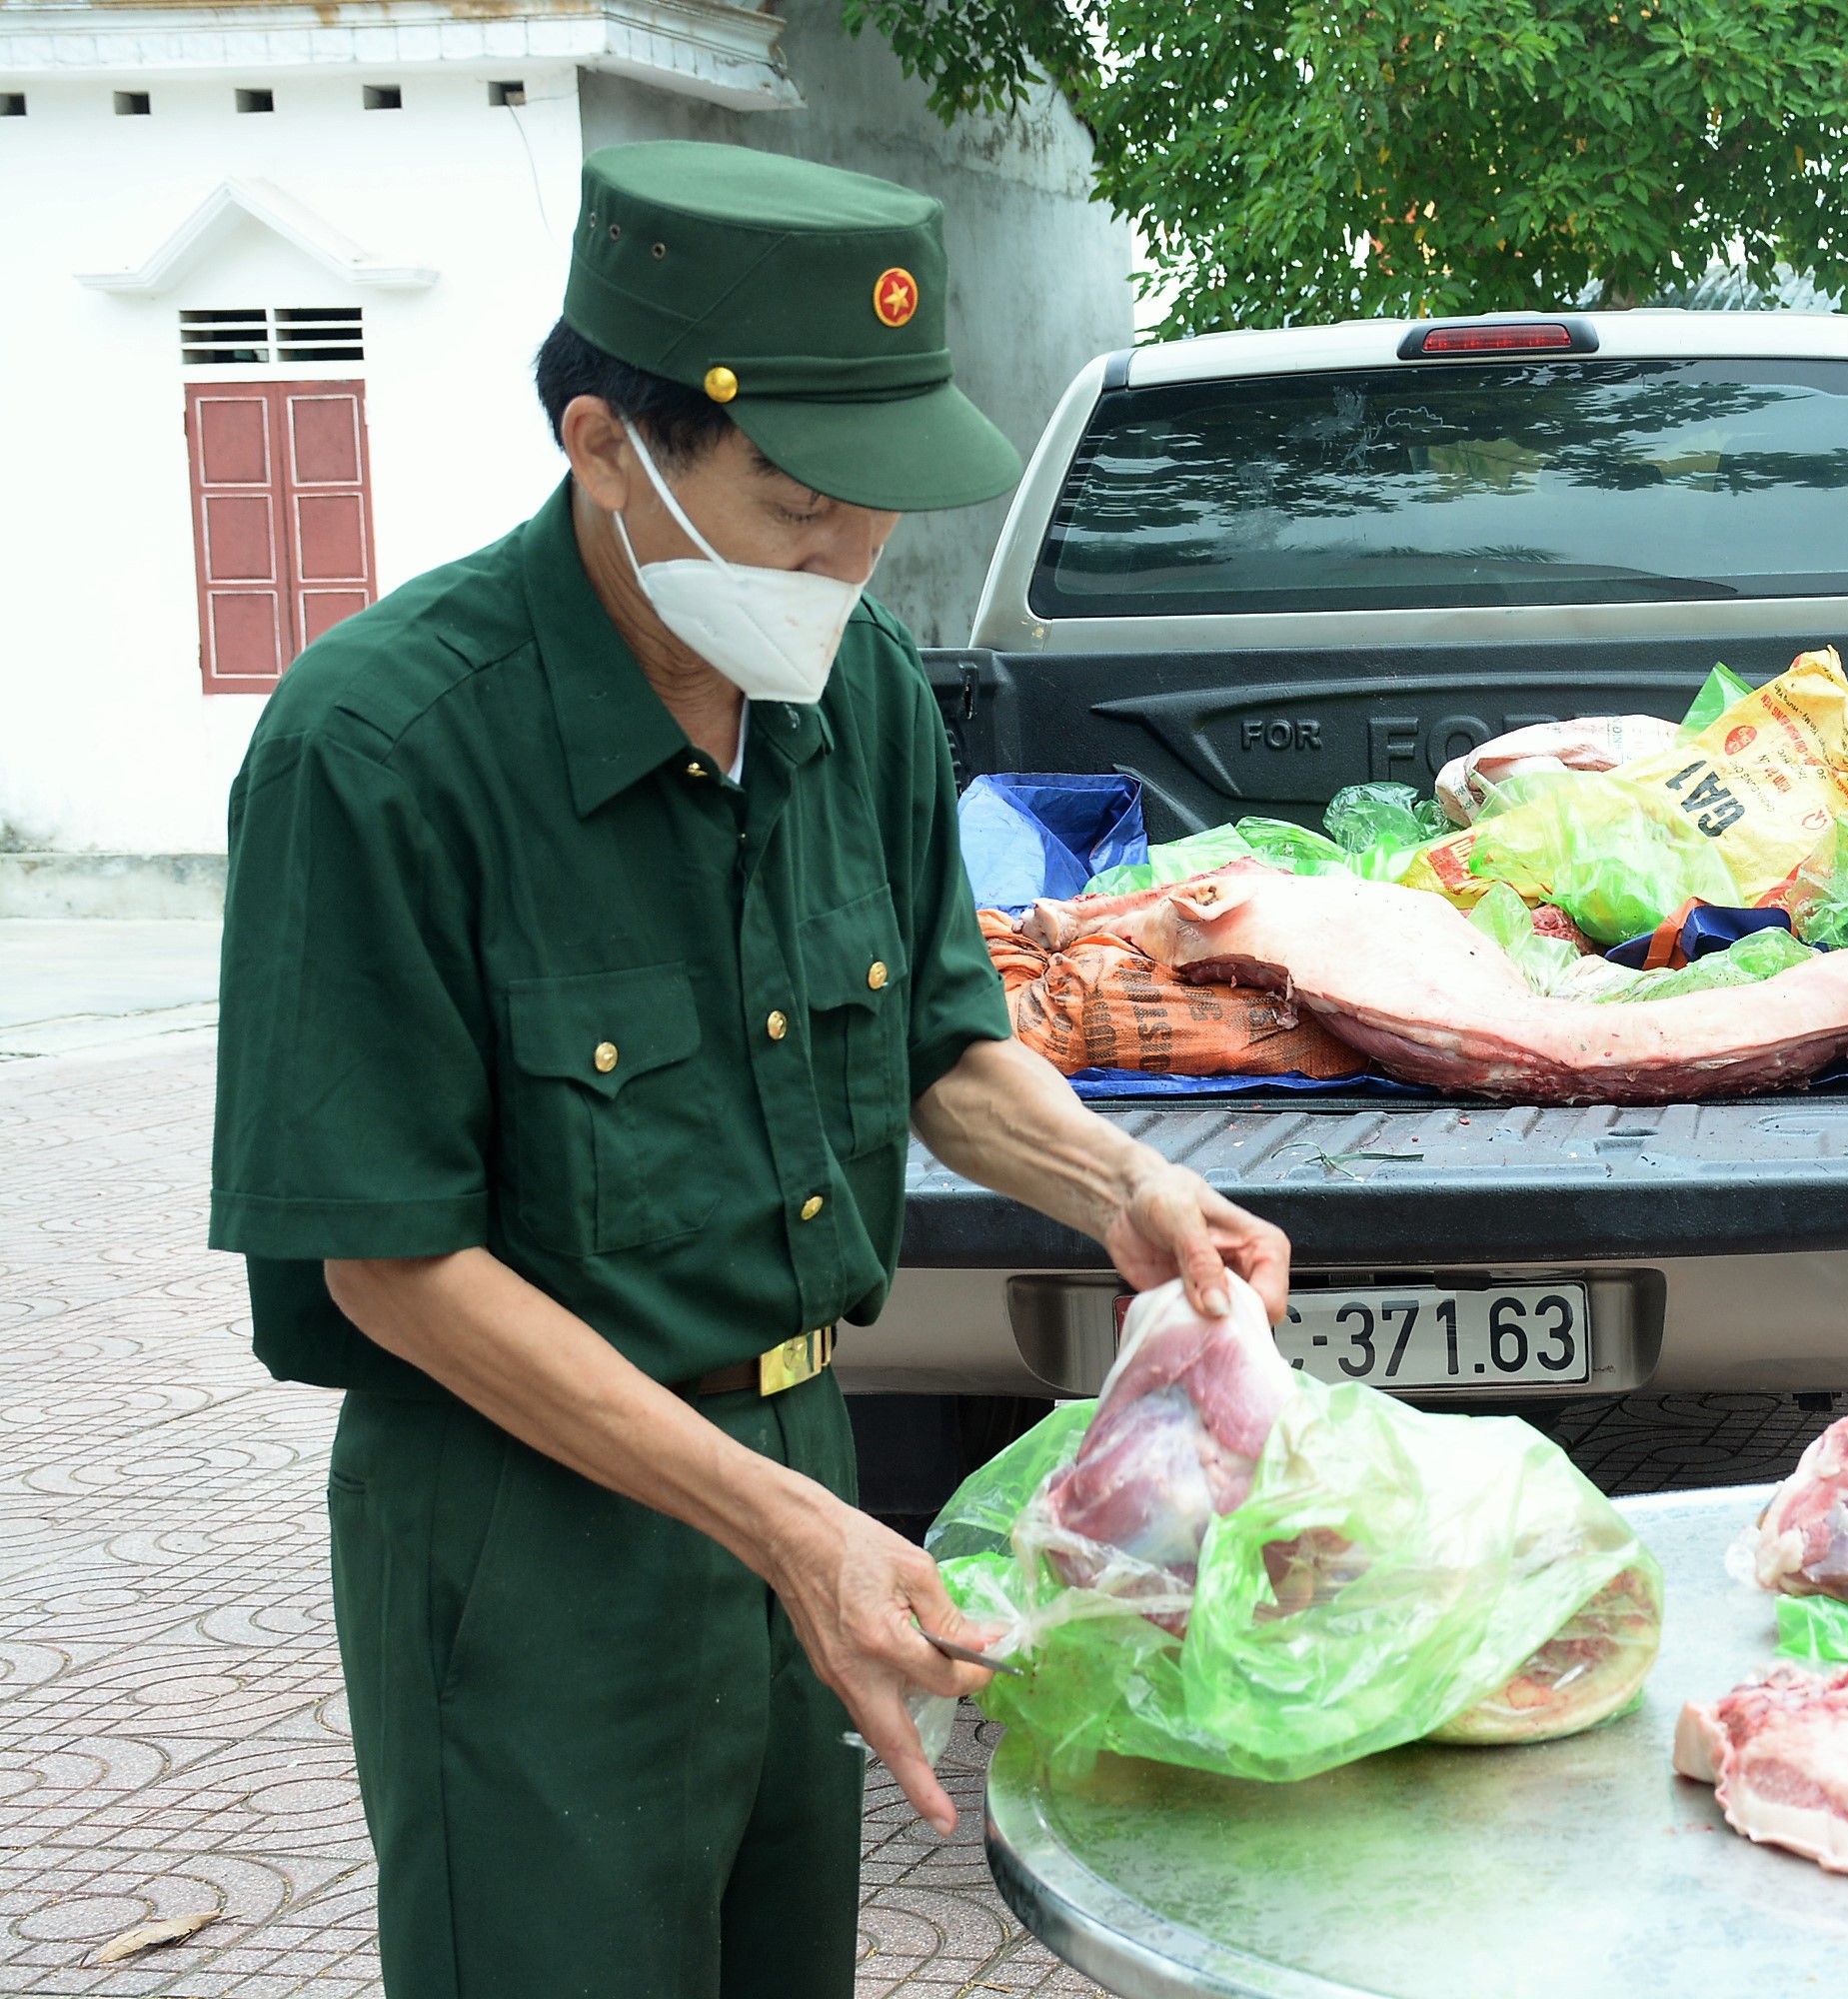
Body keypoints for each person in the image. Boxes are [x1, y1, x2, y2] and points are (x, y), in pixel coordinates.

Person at [207, 141, 1292, 1997]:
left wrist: (1127, 1187)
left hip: (802, 1454)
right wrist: (796, 1532)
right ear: (603, 444)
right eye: (794, 505)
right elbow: (388, 1262)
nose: (847, 560)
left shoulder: (846, 686)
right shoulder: (383, 751)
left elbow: (944, 1046)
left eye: (875, 509)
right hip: (527, 1525)